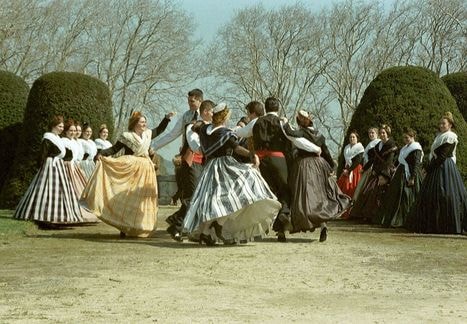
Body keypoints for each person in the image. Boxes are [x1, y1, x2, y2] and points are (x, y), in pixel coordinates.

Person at [182, 103, 281, 245]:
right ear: (224, 117)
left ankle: (205, 233)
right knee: (238, 194)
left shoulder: (205, 129)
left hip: (209, 168)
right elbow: (237, 148)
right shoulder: (224, 132)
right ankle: (218, 225)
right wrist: (252, 154)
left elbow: (195, 127)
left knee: (212, 201)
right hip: (224, 167)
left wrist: (198, 123)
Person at [81, 111, 173, 237]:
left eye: (145, 122)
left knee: (142, 199)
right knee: (129, 197)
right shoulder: (127, 136)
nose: (144, 124)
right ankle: (124, 227)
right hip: (131, 169)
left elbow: (160, 129)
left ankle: (141, 226)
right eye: (141, 122)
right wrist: (102, 153)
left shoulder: (147, 134)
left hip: (146, 170)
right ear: (135, 123)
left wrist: (166, 118)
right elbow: (115, 149)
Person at [284, 110, 351, 242]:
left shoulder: (303, 132)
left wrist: (285, 123)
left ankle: (303, 221)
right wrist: (332, 166)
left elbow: (291, 133)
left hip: (304, 166)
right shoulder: (319, 135)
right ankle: (323, 225)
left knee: (305, 197)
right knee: (320, 195)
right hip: (320, 165)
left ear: (300, 122)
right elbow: (325, 151)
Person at [152, 89, 205, 240]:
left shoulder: (208, 114)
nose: (190, 104)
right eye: (188, 101)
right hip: (189, 159)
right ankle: (179, 224)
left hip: (205, 160)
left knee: (198, 195)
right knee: (192, 194)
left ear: (200, 101)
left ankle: (182, 224)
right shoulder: (186, 116)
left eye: (192, 101)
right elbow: (172, 135)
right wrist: (154, 146)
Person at [13, 115, 84, 226]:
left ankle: (58, 215)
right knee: (46, 190)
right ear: (53, 126)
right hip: (50, 165)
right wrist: (40, 165)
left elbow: (66, 153)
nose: (61, 128)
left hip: (58, 165)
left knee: (59, 191)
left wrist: (68, 159)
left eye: (62, 127)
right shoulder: (48, 137)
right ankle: (41, 215)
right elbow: (43, 153)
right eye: (59, 126)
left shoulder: (58, 138)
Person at [406, 112, 467, 234]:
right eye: (440, 123)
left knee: (447, 195)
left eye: (444, 123)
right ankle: (434, 224)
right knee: (432, 195)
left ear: (450, 125)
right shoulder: (439, 136)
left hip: (445, 167)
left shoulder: (450, 136)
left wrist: (428, 168)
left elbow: (443, 156)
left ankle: (448, 225)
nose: (441, 125)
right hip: (437, 167)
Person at [165, 99, 214, 240]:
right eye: (211, 111)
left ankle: (181, 224)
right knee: (193, 197)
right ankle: (177, 224)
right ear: (205, 112)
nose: (213, 114)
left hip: (205, 165)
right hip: (193, 164)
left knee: (203, 198)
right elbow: (195, 146)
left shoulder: (211, 127)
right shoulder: (192, 126)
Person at [375, 128, 423, 227]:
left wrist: (412, 178)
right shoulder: (405, 148)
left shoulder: (416, 148)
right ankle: (394, 219)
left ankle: (406, 220)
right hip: (400, 173)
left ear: (413, 137)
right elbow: (399, 161)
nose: (405, 139)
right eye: (404, 138)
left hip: (410, 174)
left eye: (407, 137)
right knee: (395, 196)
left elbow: (416, 164)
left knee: (406, 197)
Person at [350, 124, 397, 222]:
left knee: (379, 194)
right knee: (367, 192)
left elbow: (389, 161)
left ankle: (377, 217)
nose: (382, 135)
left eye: (383, 133)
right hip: (375, 171)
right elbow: (373, 159)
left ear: (387, 133)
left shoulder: (391, 145)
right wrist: (365, 168)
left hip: (385, 173)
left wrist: (383, 176)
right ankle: (366, 216)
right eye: (380, 133)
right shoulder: (378, 145)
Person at [352, 127, 381, 202]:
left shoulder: (378, 143)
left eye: (372, 133)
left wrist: (366, 167)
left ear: (377, 134)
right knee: (361, 186)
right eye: (369, 133)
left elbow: (375, 158)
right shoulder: (370, 144)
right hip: (367, 167)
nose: (371, 134)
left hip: (372, 167)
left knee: (366, 186)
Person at [337, 131, 364, 199]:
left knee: (351, 187)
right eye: (350, 137)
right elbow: (344, 161)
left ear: (357, 138)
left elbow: (358, 160)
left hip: (355, 169)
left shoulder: (359, 148)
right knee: (340, 186)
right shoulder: (347, 148)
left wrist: (349, 170)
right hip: (346, 169)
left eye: (353, 137)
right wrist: (344, 170)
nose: (352, 138)